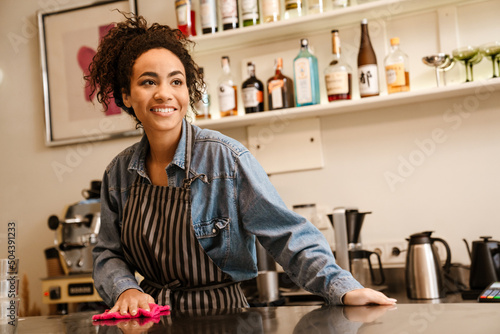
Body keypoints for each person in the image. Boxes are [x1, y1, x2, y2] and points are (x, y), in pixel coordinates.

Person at [89, 14, 396, 316]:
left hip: (226, 318)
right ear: (127, 96)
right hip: (154, 320)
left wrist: (342, 287)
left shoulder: (225, 158)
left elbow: (286, 233)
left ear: (188, 91)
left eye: (176, 81)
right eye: (148, 82)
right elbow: (108, 252)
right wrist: (126, 289)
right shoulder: (118, 173)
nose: (164, 93)